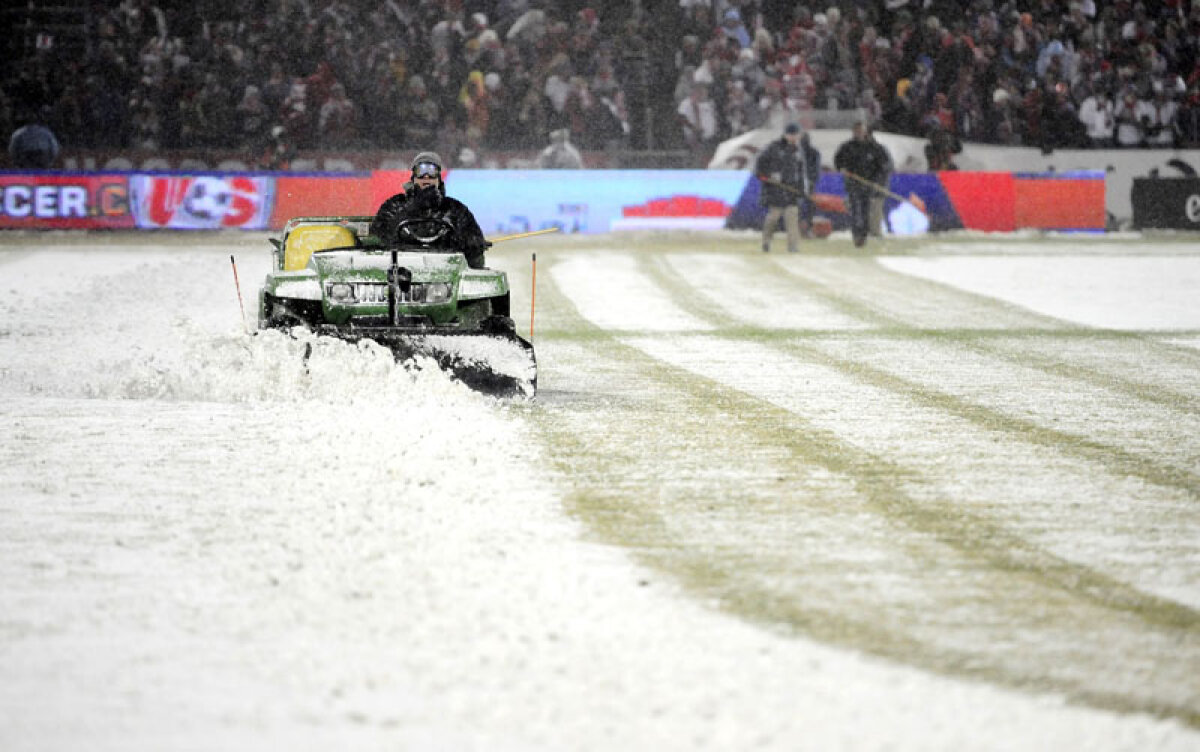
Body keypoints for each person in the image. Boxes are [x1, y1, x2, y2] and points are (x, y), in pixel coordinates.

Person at [370, 152, 490, 269]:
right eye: (421, 171)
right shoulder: (395, 205)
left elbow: (474, 250)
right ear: (413, 177)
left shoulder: (455, 209)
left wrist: (472, 244)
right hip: (401, 270)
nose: (426, 176)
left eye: (431, 171)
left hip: (446, 270)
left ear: (438, 177)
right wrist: (412, 208)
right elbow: (378, 237)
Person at [755, 122, 819, 253]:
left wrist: (802, 189)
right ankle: (766, 241)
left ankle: (793, 247)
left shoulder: (798, 151)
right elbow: (760, 165)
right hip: (776, 191)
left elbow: (801, 172)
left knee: (792, 221)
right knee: (772, 218)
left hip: (792, 192)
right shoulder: (773, 148)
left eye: (796, 135)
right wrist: (768, 175)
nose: (794, 138)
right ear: (786, 135)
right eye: (792, 135)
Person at [834, 121, 892, 248]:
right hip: (853, 184)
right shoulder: (847, 147)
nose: (859, 133)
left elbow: (884, 166)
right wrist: (841, 168)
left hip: (869, 185)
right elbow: (838, 160)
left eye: (861, 131)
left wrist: (877, 181)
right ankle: (857, 235)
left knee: (866, 211)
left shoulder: (874, 147)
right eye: (856, 131)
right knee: (855, 210)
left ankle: (864, 235)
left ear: (865, 132)